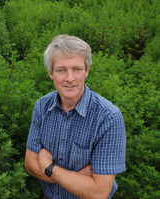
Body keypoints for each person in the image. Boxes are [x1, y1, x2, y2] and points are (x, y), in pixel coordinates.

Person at [25, 35, 126, 199]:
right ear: (50, 73)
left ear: (87, 70)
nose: (70, 79)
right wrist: (78, 180)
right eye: (61, 70)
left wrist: (48, 167)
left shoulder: (108, 117)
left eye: (77, 69)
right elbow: (30, 165)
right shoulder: (42, 107)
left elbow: (99, 192)